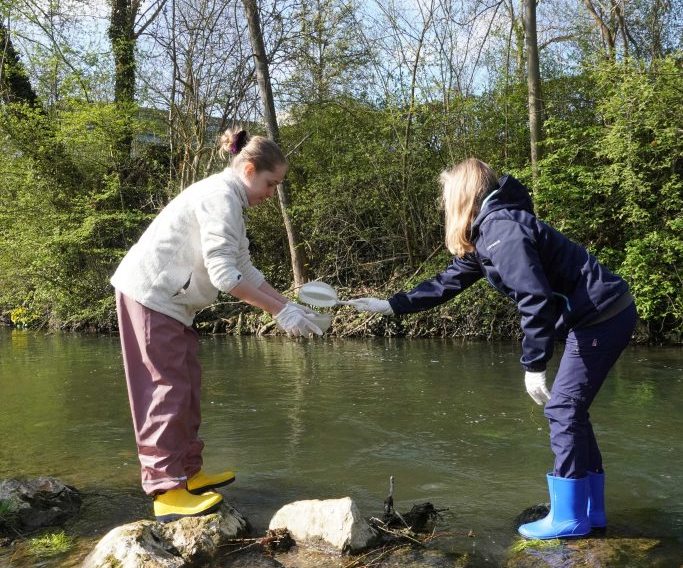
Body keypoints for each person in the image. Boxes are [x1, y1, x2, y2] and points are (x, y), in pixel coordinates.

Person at [348, 158, 637, 539]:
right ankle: (590, 510)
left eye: (446, 195)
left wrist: (534, 365)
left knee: (564, 408)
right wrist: (392, 304)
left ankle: (570, 517)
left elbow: (534, 300)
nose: (443, 202)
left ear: (464, 195)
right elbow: (447, 282)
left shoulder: (502, 230)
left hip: (601, 317)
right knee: (571, 409)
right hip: (602, 315)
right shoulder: (490, 230)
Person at [111, 128, 322, 523]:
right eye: (270, 183)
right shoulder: (220, 197)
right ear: (248, 169)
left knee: (186, 386)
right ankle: (166, 491)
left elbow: (244, 268)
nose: (271, 193)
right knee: (164, 391)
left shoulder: (232, 201)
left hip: (173, 304)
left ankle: (188, 474)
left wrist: (288, 305)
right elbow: (225, 275)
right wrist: (277, 313)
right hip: (150, 296)